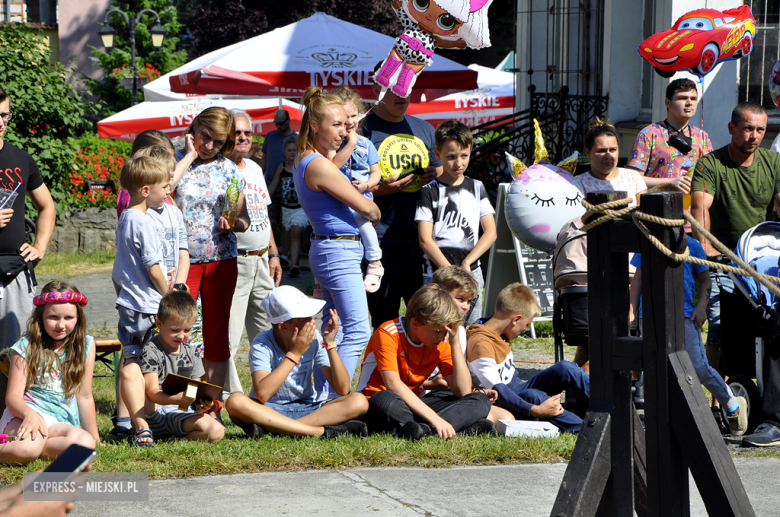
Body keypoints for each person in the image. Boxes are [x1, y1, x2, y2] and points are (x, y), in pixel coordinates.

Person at [690, 102, 780, 447]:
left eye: (759, 130)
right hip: (722, 256)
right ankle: (716, 399)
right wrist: (708, 247)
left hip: (760, 255)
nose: (753, 136)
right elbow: (700, 208)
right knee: (718, 324)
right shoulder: (711, 163)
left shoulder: (772, 162)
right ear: (730, 128)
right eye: (746, 129)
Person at [294, 87, 381, 398]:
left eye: (347, 124)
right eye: (337, 125)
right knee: (357, 330)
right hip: (337, 250)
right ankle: (334, 400)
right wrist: (372, 207)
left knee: (335, 330)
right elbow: (368, 208)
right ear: (315, 125)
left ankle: (319, 395)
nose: (345, 131)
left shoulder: (312, 158)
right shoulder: (318, 165)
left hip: (333, 248)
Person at [629, 231, 747, 436]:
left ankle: (730, 402)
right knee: (656, 368)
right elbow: (638, 279)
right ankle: (664, 416)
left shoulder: (692, 246)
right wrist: (632, 311)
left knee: (699, 368)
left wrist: (702, 305)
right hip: (649, 315)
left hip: (684, 316)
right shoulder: (648, 243)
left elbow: (705, 280)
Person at [111, 147, 191, 441]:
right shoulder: (142, 221)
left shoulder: (127, 217)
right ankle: (140, 421)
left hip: (133, 302)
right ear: (146, 190)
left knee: (139, 361)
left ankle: (145, 418)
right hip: (145, 304)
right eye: (164, 187)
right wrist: (169, 295)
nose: (168, 191)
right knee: (141, 362)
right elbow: (154, 266)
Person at [224, 286, 369, 439]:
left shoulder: (315, 339)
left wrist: (330, 344)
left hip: (309, 407)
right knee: (235, 401)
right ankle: (318, 431)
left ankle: (279, 429)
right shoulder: (262, 343)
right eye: (304, 318)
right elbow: (262, 394)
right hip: (269, 410)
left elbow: (343, 389)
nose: (312, 322)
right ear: (283, 326)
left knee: (359, 401)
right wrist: (294, 354)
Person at [176, 107, 250, 393]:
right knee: (179, 331)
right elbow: (162, 186)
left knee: (216, 334)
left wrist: (234, 223)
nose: (209, 146)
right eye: (205, 137)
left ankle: (210, 405)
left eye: (218, 142)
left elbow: (245, 220)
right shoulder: (174, 158)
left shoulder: (229, 169)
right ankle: (182, 403)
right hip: (184, 261)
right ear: (194, 127)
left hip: (221, 260)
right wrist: (189, 155)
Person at [357, 284, 493, 440]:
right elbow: (393, 385)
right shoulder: (388, 332)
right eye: (437, 332)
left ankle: (422, 430)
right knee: (384, 399)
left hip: (416, 403)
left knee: (480, 400)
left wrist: (455, 345)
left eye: (445, 332)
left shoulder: (443, 339)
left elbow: (462, 391)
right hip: (381, 402)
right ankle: (453, 428)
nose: (442, 337)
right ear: (414, 323)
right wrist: (436, 420)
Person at [363, 63, 442, 328]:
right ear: (377, 88)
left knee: (426, 321)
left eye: (407, 87)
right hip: (381, 240)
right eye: (395, 87)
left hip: (422, 240)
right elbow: (344, 187)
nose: (402, 94)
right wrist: (382, 189)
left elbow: (442, 173)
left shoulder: (424, 129)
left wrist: (434, 173)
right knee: (384, 322)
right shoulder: (361, 131)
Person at [0, 84, 56, 414]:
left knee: (16, 352)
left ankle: (15, 417)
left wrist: (40, 245)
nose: (0, 122)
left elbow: (46, 206)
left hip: (15, 271)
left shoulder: (21, 159)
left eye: (4, 115)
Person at [466, 283, 589, 433]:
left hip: (516, 388)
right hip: (502, 400)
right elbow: (500, 392)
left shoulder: (496, 329)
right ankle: (587, 430)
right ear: (515, 319)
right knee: (533, 396)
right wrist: (535, 409)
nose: (524, 331)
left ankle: (615, 406)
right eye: (526, 325)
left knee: (565, 368)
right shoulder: (480, 344)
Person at [0, 281, 97, 465]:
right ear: (40, 316)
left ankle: (37, 448)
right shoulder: (25, 347)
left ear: (78, 318)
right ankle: (29, 448)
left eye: (68, 317)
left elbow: (84, 396)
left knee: (86, 443)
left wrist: (95, 437)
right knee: (26, 448)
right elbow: (13, 396)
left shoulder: (86, 345)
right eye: (53, 317)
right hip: (24, 414)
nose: (61, 325)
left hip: (60, 421)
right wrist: (29, 414)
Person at [225, 109, 282, 398]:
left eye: (248, 132)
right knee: (229, 336)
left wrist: (273, 253)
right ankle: (227, 398)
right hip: (234, 261)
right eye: (238, 133)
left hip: (261, 260)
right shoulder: (220, 169)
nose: (245, 137)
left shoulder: (256, 168)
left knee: (268, 331)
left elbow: (264, 213)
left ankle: (271, 395)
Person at [416, 119, 496, 324]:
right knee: (437, 326)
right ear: (437, 154)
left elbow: (490, 232)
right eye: (451, 157)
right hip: (437, 272)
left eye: (464, 156)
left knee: (470, 328)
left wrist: (468, 262)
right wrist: (448, 270)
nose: (458, 163)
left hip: (472, 271)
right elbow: (425, 239)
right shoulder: (428, 191)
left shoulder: (477, 188)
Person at [137, 291, 225, 444]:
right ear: (159, 324)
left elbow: (195, 391)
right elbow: (152, 393)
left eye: (187, 330)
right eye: (175, 330)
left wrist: (201, 405)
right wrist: (178, 398)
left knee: (217, 430)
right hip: (154, 412)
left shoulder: (192, 352)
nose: (181, 336)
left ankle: (171, 440)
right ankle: (144, 429)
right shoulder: (151, 350)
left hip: (181, 414)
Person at [328, 86, 385, 292]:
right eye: (345, 117)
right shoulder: (334, 144)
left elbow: (376, 172)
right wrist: (349, 144)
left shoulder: (366, 143)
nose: (351, 121)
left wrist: (367, 185)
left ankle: (375, 262)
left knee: (362, 222)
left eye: (354, 115)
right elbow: (332, 167)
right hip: (339, 197)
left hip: (361, 195)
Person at [627, 78, 713, 192]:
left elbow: (711, 177)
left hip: (692, 208)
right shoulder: (649, 134)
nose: (689, 103)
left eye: (693, 98)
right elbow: (632, 179)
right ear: (668, 103)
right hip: (657, 206)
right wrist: (670, 182)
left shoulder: (702, 137)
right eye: (682, 98)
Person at [115, 129, 198, 218]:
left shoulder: (140, 189)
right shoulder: (140, 195)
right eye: (166, 159)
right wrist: (190, 156)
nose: (172, 162)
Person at [573, 118, 648, 206]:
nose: (608, 156)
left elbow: (642, 213)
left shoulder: (633, 177)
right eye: (601, 151)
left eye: (613, 150)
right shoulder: (578, 183)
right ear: (588, 152)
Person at [269, 136, 309, 278]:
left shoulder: (302, 166)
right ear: (285, 152)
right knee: (286, 231)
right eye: (289, 150)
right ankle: (285, 256)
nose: (292, 152)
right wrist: (264, 199)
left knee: (296, 233)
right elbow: (274, 185)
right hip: (286, 206)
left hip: (300, 206)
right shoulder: (282, 166)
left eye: (295, 150)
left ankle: (295, 265)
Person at [260, 109, 297, 185]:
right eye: (276, 123)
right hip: (269, 183)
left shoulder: (296, 139)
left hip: (289, 185)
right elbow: (264, 159)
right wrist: (259, 177)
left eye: (281, 123)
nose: (278, 126)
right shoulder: (270, 136)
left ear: (288, 120)